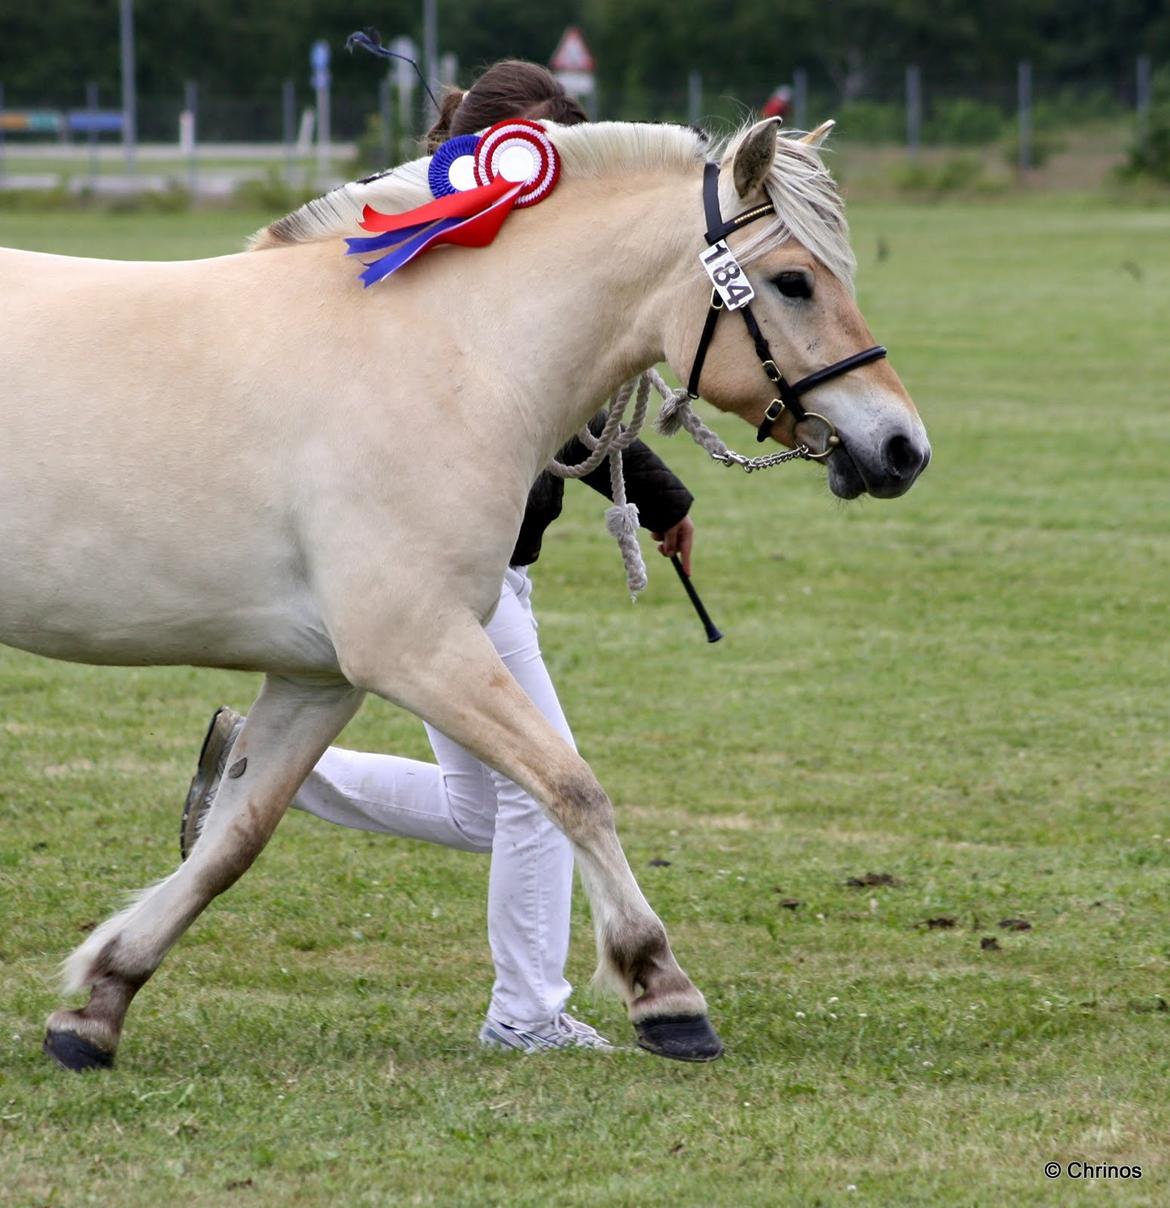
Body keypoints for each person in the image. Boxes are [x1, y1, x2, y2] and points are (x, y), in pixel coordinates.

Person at [179, 61, 696, 1053]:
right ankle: (527, 1014)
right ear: (502, 147)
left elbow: (562, 404)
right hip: (450, 572)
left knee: (482, 807)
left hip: (484, 568)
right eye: (554, 142)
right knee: (548, 792)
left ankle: (257, 767)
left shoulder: (485, 247)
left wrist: (661, 496)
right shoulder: (450, 252)